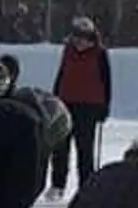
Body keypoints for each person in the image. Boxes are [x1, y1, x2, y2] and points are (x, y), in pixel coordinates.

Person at [48, 16, 113, 198]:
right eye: (76, 36)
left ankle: (87, 186)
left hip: (89, 106)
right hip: (66, 102)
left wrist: (105, 106)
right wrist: (55, 99)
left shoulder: (100, 53)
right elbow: (61, 74)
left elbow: (106, 81)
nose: (79, 41)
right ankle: (57, 185)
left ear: (91, 37)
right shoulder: (68, 51)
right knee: (60, 146)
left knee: (85, 149)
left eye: (83, 36)